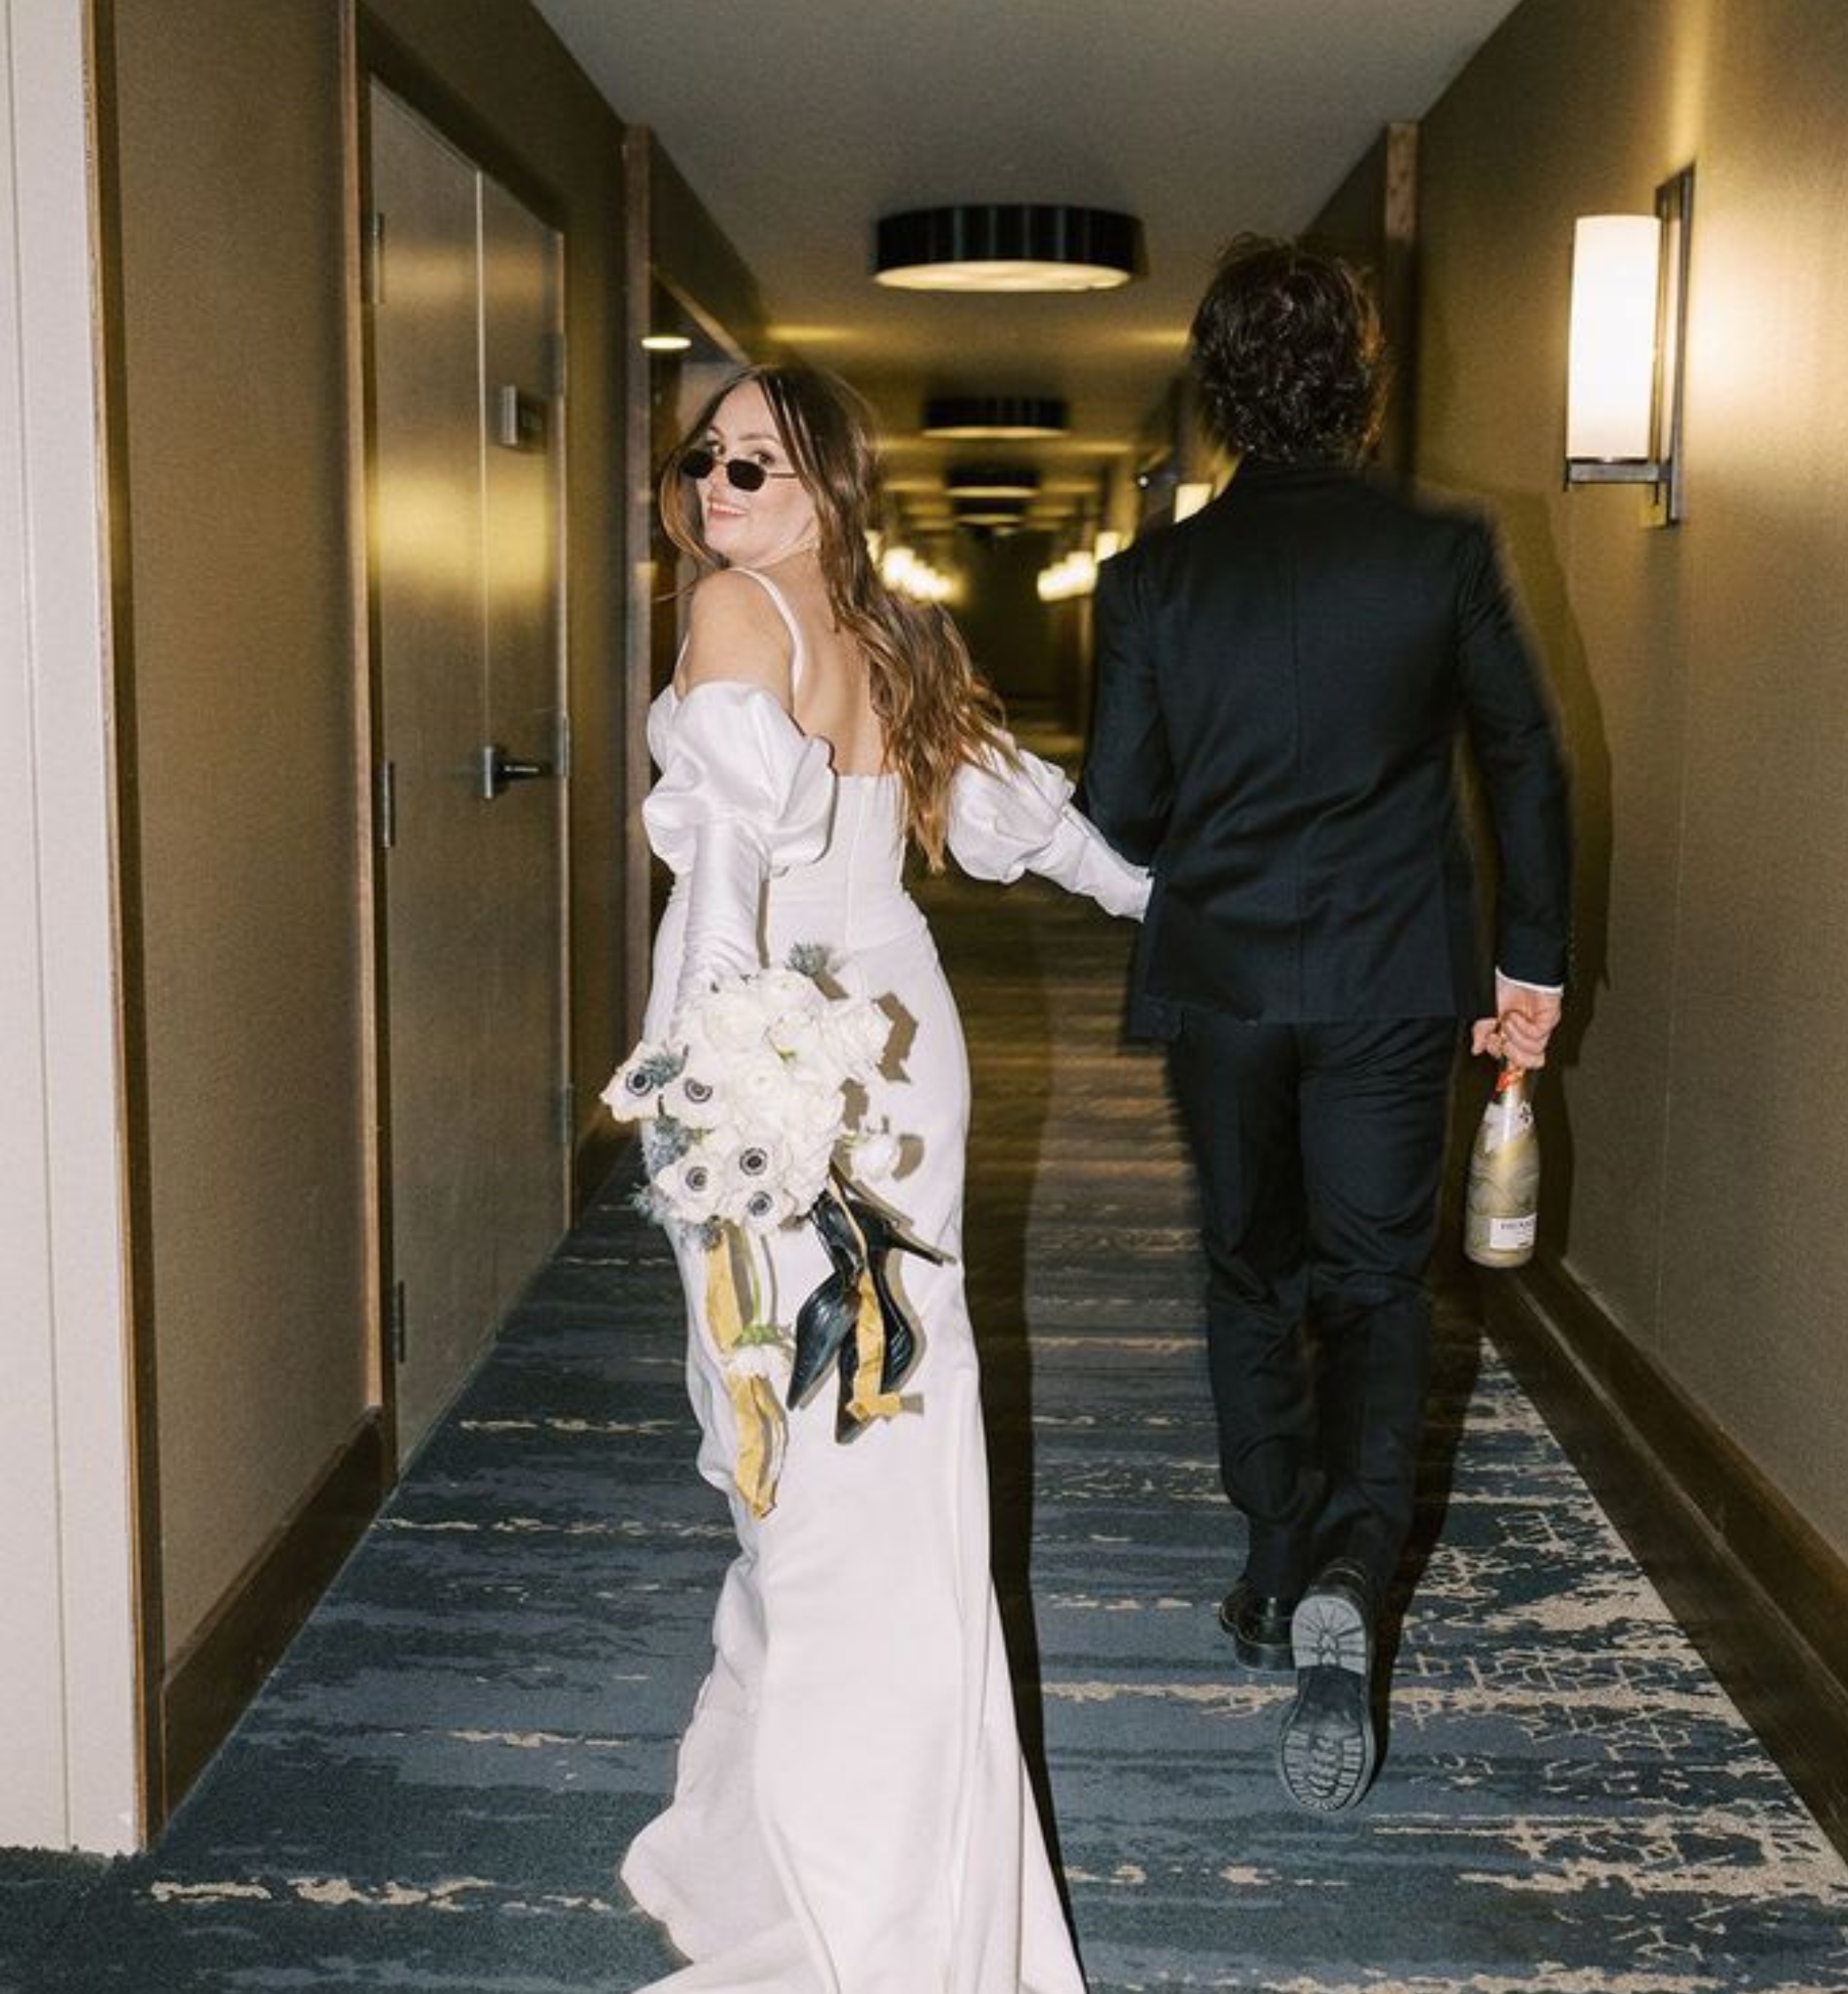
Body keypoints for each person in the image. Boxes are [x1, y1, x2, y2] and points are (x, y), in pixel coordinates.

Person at [618, 362, 1147, 1993]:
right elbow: (1036, 835)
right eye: (705, 457)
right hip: (899, 1039)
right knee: (883, 1440)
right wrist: (1183, 906)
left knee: (795, 1434)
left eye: (757, 464)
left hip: (786, 1048)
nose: (718, 487)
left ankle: (853, 1901)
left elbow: (724, 863)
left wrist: (711, 1060)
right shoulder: (891, 629)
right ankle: (850, 1839)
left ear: (830, 482)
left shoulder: (732, 612)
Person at [1080, 237, 1571, 1815]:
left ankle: (1274, 1555)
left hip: (1223, 983)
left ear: (1216, 395)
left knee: (1249, 1267)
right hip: (1392, 976)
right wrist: (1530, 963)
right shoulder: (1441, 552)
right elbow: (1522, 757)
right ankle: (1356, 1563)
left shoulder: (1152, 581)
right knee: (1373, 1279)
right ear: (1361, 382)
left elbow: (1122, 809)